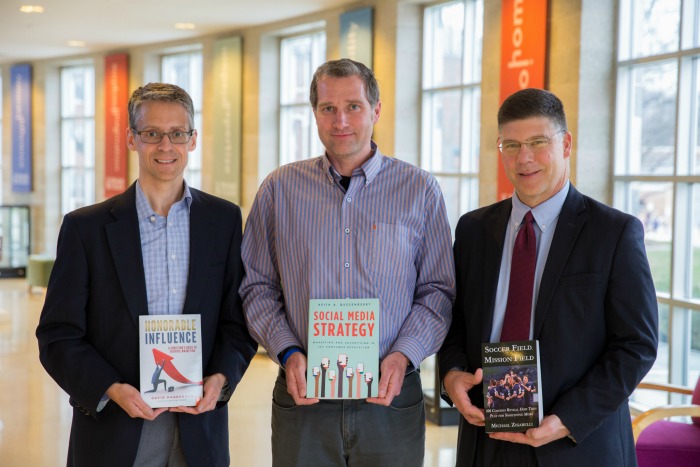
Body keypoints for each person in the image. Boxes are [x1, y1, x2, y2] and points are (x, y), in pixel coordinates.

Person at [239, 58, 455, 466]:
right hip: (303, 396)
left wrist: (404, 354)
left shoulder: (420, 190)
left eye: (353, 106)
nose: (341, 120)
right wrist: (286, 351)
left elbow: (437, 291)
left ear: (376, 110)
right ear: (315, 113)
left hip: (390, 395)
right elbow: (256, 286)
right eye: (327, 108)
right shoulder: (279, 190)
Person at [36, 82, 257, 467]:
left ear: (193, 139)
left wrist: (221, 380)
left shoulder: (223, 221)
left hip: (198, 428)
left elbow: (236, 322)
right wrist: (111, 390)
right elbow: (58, 335)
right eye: (152, 134)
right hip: (116, 429)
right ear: (131, 139)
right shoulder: (85, 229)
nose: (165, 146)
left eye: (177, 133)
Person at [438, 88, 658, 466]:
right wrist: (451, 375)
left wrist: (567, 420)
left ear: (566, 144)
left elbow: (636, 345)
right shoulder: (473, 230)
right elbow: (453, 321)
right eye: (511, 145)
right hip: (486, 439)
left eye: (538, 142)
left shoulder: (614, 233)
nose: (524, 158)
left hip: (576, 444)